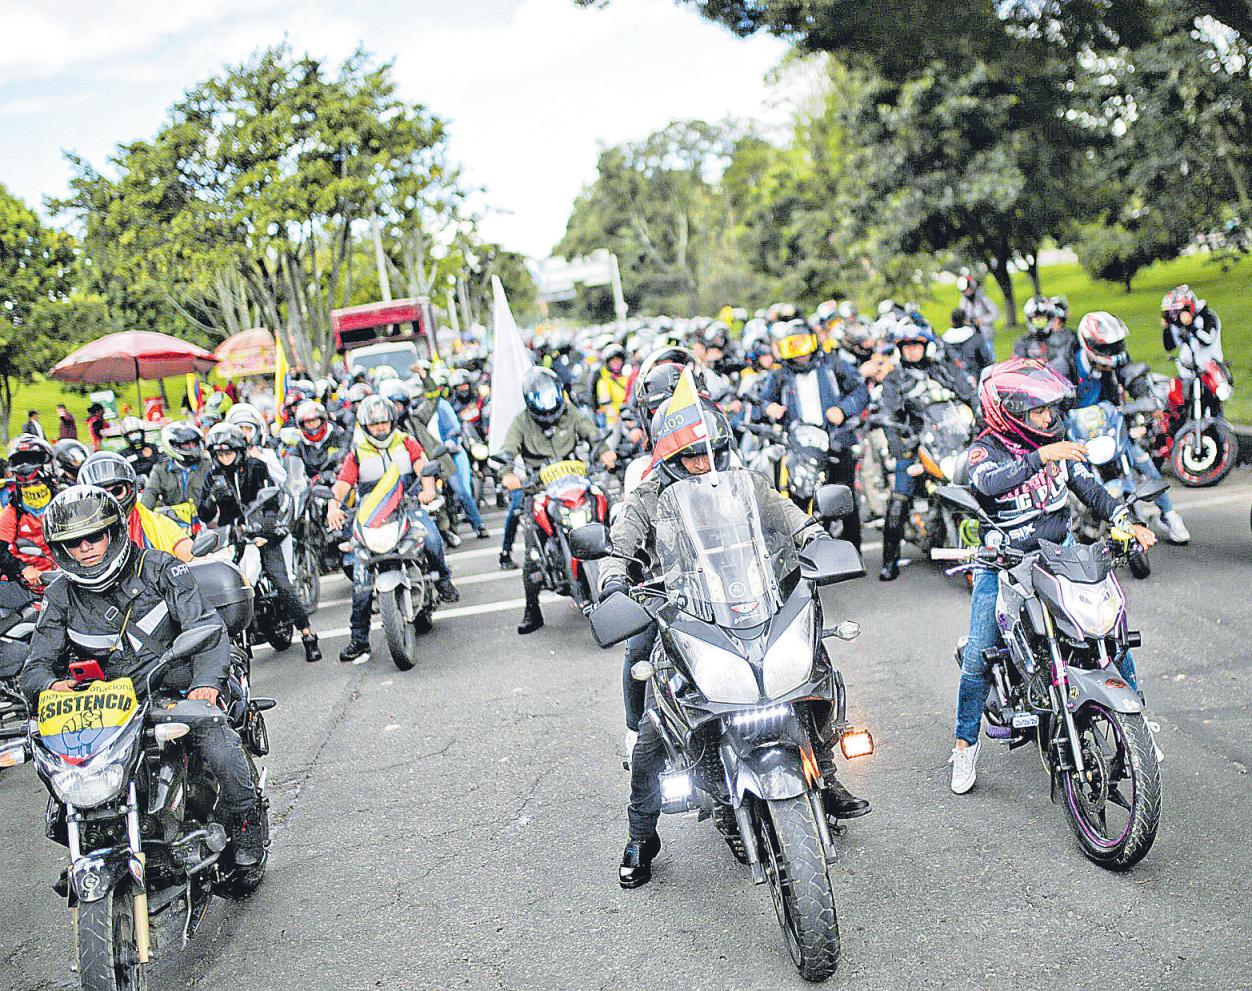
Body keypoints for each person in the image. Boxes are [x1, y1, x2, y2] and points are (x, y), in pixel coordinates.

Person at [599, 401, 869, 888]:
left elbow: (789, 516)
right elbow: (620, 545)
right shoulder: (646, 498)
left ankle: (825, 776)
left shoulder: (747, 483)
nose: (703, 462)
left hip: (751, 598)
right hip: (682, 609)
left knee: (812, 667)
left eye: (711, 452)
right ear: (670, 458)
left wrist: (815, 538)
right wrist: (614, 579)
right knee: (654, 725)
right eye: (691, 456)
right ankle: (641, 835)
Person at [22, 485, 265, 867]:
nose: (84, 548)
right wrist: (51, 685)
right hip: (108, 704)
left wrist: (205, 684)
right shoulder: (60, 595)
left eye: (93, 536)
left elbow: (206, 628)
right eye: (73, 542)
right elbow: (35, 666)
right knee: (55, 771)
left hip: (173, 685)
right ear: (60, 548)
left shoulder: (161, 569)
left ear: (113, 532)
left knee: (218, 744)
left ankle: (247, 820)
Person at [949, 358, 1157, 794]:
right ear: (1009, 412)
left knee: (1108, 631)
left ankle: (1137, 724)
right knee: (978, 656)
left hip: (1060, 556)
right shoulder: (985, 450)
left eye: (1050, 409)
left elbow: (1092, 490)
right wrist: (1041, 457)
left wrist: (1126, 521)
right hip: (1003, 562)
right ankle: (965, 744)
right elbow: (989, 483)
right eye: (1039, 410)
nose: (1049, 418)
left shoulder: (1058, 444)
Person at [325, 395, 459, 664]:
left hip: (407, 505)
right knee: (360, 578)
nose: (380, 428)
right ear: (365, 426)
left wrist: (428, 490)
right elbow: (342, 484)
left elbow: (423, 466)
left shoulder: (406, 441)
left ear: (392, 421)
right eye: (375, 424)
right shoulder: (357, 453)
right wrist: (333, 507)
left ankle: (443, 580)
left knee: (432, 539)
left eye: (384, 422)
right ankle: (359, 640)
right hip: (371, 515)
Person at [200, 425, 322, 663]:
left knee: (282, 583)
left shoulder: (256, 467)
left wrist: (264, 530)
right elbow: (204, 515)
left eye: (228, 453)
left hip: (262, 533)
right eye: (219, 454)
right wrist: (211, 498)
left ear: (239, 451)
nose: (224, 458)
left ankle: (308, 634)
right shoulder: (212, 477)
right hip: (234, 538)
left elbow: (271, 502)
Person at [498, 366, 605, 634]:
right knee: (532, 548)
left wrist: (603, 450)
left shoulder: (570, 412)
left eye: (550, 396)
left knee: (607, 506)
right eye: (540, 398)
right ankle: (532, 610)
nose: (547, 404)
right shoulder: (522, 421)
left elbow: (591, 431)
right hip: (539, 488)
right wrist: (508, 473)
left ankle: (631, 574)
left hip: (574, 482)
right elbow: (508, 450)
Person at [1073, 312, 1188, 544]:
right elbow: (1055, 393)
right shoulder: (1067, 363)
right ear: (1090, 344)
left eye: (1117, 344)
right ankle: (1072, 519)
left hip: (1112, 422)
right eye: (1107, 346)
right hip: (1079, 430)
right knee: (1071, 473)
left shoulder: (1116, 358)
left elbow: (1131, 376)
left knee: (1142, 460)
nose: (1115, 351)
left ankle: (1169, 514)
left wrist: (1144, 398)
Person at [755, 319, 870, 550]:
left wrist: (843, 410)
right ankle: (806, 553)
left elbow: (861, 391)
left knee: (844, 498)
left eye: (803, 344)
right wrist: (770, 408)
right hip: (799, 448)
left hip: (836, 442)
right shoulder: (780, 375)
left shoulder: (833, 365)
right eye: (792, 346)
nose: (799, 353)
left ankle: (852, 552)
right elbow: (762, 401)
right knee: (798, 500)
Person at [877, 318, 976, 581]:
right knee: (900, 497)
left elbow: (970, 395)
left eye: (917, 345)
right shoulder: (894, 379)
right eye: (907, 346)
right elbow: (888, 416)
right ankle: (889, 560)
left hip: (953, 441)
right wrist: (901, 445)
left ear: (927, 347)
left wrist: (979, 422)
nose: (912, 350)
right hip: (915, 445)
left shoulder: (944, 371)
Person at [79, 452, 193, 562]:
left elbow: (189, 553)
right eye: (99, 496)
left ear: (130, 489)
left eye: (117, 491)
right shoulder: (77, 534)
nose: (110, 500)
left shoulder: (161, 524)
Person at [0, 437, 60, 592]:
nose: (32, 489)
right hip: (28, 588)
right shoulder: (13, 511)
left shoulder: (64, 504)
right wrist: (23, 568)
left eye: (36, 483)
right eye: (26, 486)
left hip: (66, 580)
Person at [142, 421, 212, 528]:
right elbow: (150, 494)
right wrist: (143, 518)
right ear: (173, 445)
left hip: (204, 520)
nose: (192, 447)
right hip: (173, 524)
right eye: (186, 444)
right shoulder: (160, 469)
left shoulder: (208, 465)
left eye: (194, 443)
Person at [1161, 284, 1224, 388]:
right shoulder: (1177, 325)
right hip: (1188, 371)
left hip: (1211, 368)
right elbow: (1169, 347)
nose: (1174, 317)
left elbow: (1207, 341)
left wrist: (1191, 326)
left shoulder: (1207, 317)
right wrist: (1166, 329)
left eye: (1176, 312)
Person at [1013, 296, 1076, 380]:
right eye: (1036, 318)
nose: (1039, 320)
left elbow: (1064, 364)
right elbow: (1017, 367)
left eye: (1043, 317)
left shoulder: (1065, 337)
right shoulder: (1023, 342)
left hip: (1061, 382)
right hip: (1033, 384)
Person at [942, 308, 994, 386]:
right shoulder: (975, 337)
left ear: (951, 321)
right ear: (965, 320)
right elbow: (986, 359)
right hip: (976, 377)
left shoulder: (945, 341)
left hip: (955, 381)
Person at [956, 274, 1000, 347]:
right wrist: (965, 321)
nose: (966, 292)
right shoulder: (963, 301)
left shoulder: (982, 298)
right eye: (964, 291)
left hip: (985, 334)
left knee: (989, 352)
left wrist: (982, 320)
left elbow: (995, 313)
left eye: (967, 289)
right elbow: (961, 316)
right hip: (971, 336)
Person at [595, 344, 631, 426]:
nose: (616, 363)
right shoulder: (604, 382)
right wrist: (618, 416)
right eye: (613, 361)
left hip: (632, 416)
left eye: (618, 359)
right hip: (616, 421)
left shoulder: (629, 377)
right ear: (608, 363)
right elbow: (607, 404)